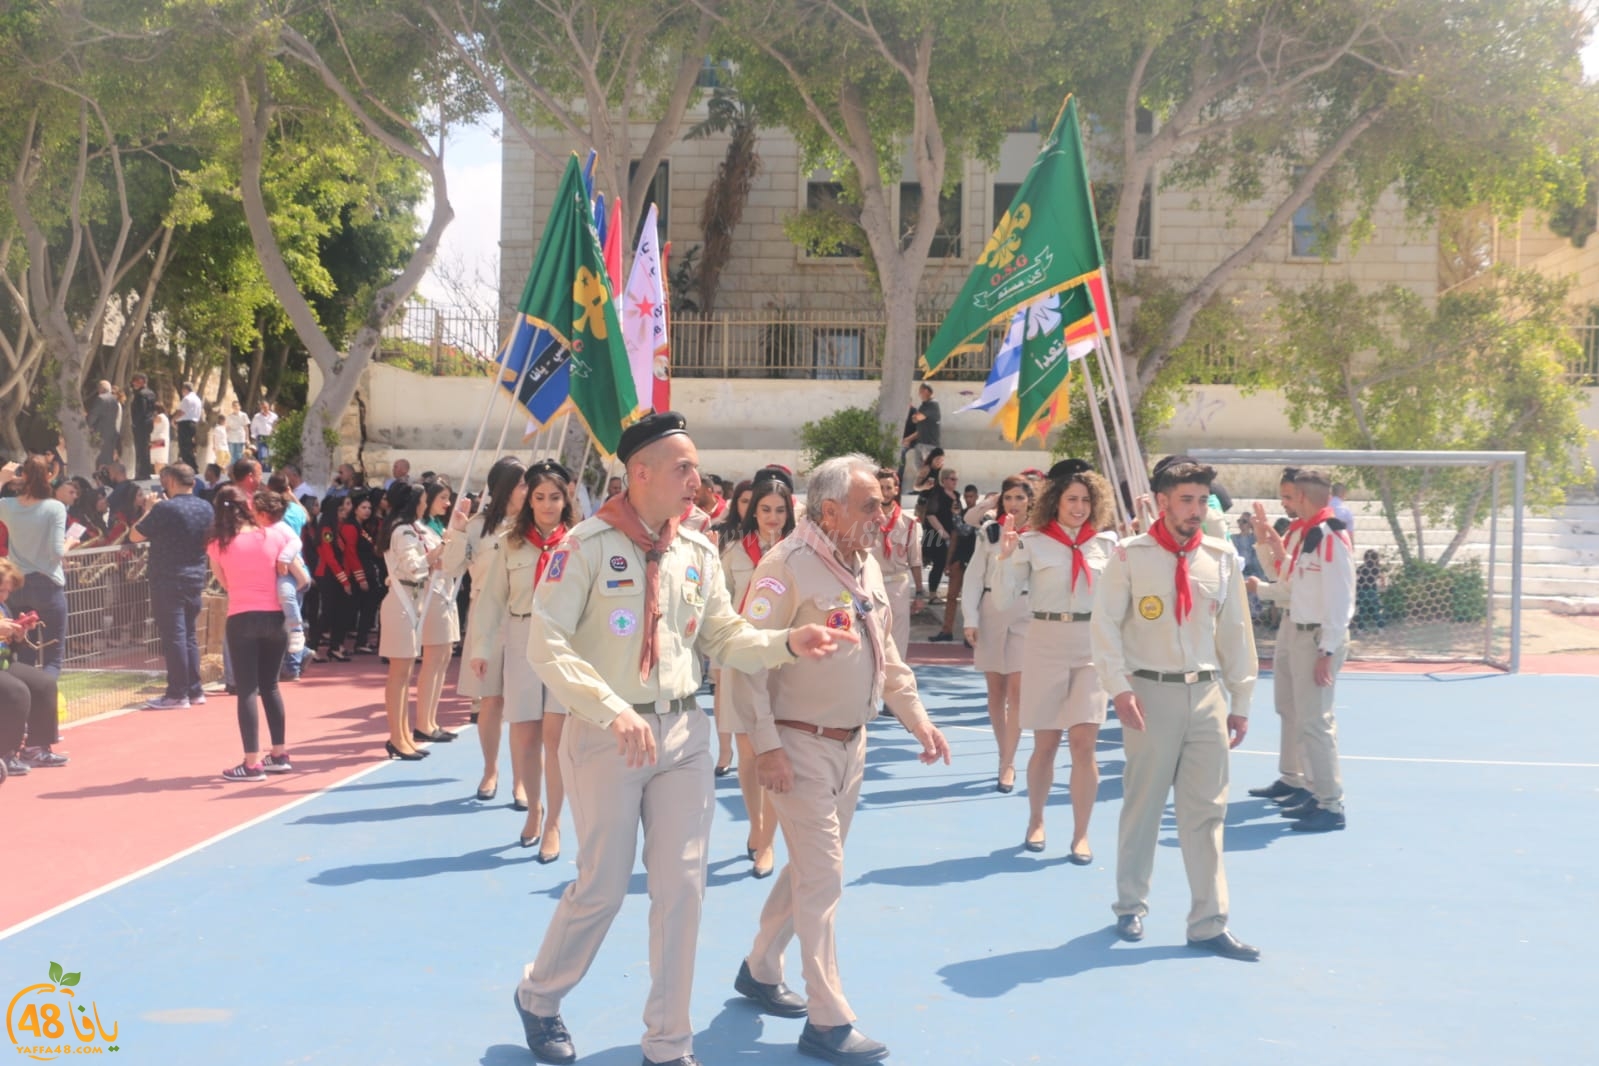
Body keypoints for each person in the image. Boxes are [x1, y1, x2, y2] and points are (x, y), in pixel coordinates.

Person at [512, 412, 851, 1066]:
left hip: (683, 733)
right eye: (682, 467)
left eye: (695, 467)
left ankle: (667, 1043)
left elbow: (722, 636)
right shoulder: (581, 548)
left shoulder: (696, 551)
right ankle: (540, 995)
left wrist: (786, 642)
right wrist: (612, 709)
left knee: (681, 889)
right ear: (640, 473)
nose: (695, 478)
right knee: (603, 887)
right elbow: (544, 646)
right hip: (604, 734)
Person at [728, 453, 951, 1066]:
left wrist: (919, 720)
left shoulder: (865, 564)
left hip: (852, 745)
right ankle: (828, 1020)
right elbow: (744, 663)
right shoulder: (785, 568)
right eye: (870, 505)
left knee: (810, 869)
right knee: (823, 879)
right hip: (798, 744)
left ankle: (761, 966)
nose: (883, 513)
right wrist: (767, 747)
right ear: (830, 511)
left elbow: (886, 658)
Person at [1091, 459, 1260, 960]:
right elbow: (1104, 627)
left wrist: (1241, 699)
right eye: (1185, 500)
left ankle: (1208, 921)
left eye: (1202, 500)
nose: (1195, 510)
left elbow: (1235, 634)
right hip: (1149, 694)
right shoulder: (1129, 556)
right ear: (1162, 503)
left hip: (1207, 695)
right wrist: (1118, 689)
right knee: (1143, 804)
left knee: (1207, 812)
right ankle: (1130, 904)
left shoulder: (1221, 557)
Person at [995, 463, 1118, 857]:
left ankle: (1081, 833)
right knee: (1045, 743)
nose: (1079, 507)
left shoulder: (1107, 545)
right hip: (1045, 641)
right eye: (1071, 499)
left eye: (1086, 500)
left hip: (1090, 644)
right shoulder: (1032, 542)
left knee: (1084, 744)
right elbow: (1001, 599)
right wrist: (1005, 557)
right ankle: (1036, 819)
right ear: (1055, 502)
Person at [469, 458, 573, 857]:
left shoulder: (579, 543)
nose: (547, 505)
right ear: (529, 500)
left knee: (556, 737)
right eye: (540, 497)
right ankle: (534, 807)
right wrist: (480, 649)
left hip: (565, 643)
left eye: (555, 497)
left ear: (566, 500)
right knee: (526, 734)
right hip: (521, 637)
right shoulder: (510, 543)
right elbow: (492, 601)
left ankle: (554, 823)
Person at [1251, 469, 1354, 833]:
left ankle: (1330, 803)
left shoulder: (1329, 536)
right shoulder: (1312, 535)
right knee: (1305, 718)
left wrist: (1327, 649)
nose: (1286, 502)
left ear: (1306, 498)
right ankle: (1315, 794)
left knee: (1316, 723)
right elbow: (1292, 583)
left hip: (1316, 639)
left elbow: (1342, 600)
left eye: (1291, 496)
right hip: (1304, 633)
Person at [719, 476, 797, 879]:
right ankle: (756, 825)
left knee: (776, 749)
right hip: (743, 658)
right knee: (749, 754)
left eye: (780, 510)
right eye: (764, 509)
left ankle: (768, 839)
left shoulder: (799, 555)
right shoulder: (733, 551)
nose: (771, 517)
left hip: (784, 661)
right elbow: (718, 604)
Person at [446, 457, 527, 805]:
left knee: (522, 704)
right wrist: (457, 531)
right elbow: (450, 568)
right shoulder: (478, 527)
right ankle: (490, 769)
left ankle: (522, 780)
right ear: (506, 487)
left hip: (524, 617)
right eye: (524, 484)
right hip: (486, 619)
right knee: (491, 699)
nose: (529, 491)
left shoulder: (534, 526)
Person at [206, 486, 297, 781]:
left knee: (247, 689)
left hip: (242, 616)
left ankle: (251, 762)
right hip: (275, 617)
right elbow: (292, 559)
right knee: (271, 686)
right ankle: (279, 753)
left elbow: (224, 581)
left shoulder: (218, 542)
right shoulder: (274, 534)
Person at [963, 475, 1034, 796]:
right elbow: (974, 578)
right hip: (991, 610)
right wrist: (970, 619)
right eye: (1009, 498)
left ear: (1030, 501)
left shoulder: (1040, 534)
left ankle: (1008, 762)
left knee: (1018, 691)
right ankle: (1002, 752)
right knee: (997, 691)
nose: (1015, 504)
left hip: (1025, 612)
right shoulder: (989, 533)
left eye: (1020, 498)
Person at [377, 483, 458, 761]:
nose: (425, 506)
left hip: (411, 602)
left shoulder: (406, 529)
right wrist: (443, 547)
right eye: (423, 501)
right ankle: (397, 737)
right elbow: (414, 566)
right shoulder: (403, 531)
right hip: (402, 601)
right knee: (399, 676)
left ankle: (404, 736)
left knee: (405, 674)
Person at [1244, 468, 1311, 807]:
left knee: (1307, 710)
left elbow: (1292, 588)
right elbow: (1278, 572)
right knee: (1287, 705)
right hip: (1290, 623)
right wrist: (1264, 540)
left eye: (1288, 496)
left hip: (1306, 626)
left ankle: (1314, 786)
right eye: (1282, 496)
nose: (1284, 503)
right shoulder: (1297, 532)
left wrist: (1262, 590)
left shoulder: (1317, 534)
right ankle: (1292, 776)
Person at [129, 464, 214, 709]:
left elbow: (135, 535)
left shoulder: (165, 508)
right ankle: (194, 689)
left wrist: (148, 509)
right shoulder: (205, 506)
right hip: (195, 575)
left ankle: (177, 693)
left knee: (174, 636)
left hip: (167, 578)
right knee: (188, 636)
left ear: (172, 482)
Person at [0, 458, 69, 677]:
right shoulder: (55, 507)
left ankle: (27, 707)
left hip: (18, 584)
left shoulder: (8, 506)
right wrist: (71, 543)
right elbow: (57, 551)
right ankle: (47, 706)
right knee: (52, 656)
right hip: (46, 583)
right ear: (49, 476)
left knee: (24, 654)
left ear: (24, 476)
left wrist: (2, 478)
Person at [0, 557, 68, 775]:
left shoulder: (3, 606)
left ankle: (35, 748)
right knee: (15, 692)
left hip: (4, 663)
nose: (5, 596)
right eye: (1, 590)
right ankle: (5, 752)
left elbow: (11, 648)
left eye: (7, 591)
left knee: (44, 683)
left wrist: (19, 634)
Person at [870, 468, 923, 661]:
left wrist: (919, 591)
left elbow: (915, 559)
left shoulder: (909, 523)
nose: (884, 491)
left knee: (898, 638)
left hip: (898, 584)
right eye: (880, 487)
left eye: (888, 487)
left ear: (896, 490)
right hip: (872, 582)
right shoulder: (866, 520)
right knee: (871, 634)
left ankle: (897, 682)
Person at [309, 496, 360, 662]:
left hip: (336, 575)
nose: (344, 512)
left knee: (341, 613)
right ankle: (312, 648)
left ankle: (335, 646)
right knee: (327, 613)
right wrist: (344, 580)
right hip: (327, 575)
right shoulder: (327, 531)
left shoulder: (337, 528)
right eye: (340, 510)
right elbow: (330, 558)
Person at [921, 464, 958, 604]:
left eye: (956, 479)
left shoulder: (957, 495)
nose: (955, 482)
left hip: (953, 535)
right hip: (938, 535)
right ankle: (932, 594)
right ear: (944, 480)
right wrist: (943, 533)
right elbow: (931, 515)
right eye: (952, 479)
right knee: (938, 564)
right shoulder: (938, 494)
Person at [87, 380, 122, 470]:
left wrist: (87, 425)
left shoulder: (100, 399)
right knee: (108, 459)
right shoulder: (115, 400)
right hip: (111, 433)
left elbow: (93, 416)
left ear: (100, 389)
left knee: (99, 459)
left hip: (100, 432)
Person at [129, 373, 157, 479]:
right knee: (145, 448)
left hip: (141, 425)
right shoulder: (151, 393)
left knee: (141, 449)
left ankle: (142, 473)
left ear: (141, 381)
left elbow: (141, 410)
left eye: (135, 380)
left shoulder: (141, 394)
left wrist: (135, 423)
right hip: (148, 423)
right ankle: (146, 471)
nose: (133, 383)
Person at [1354, 549, 1386, 632]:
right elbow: (1382, 577)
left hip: (1361, 590)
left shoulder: (1361, 567)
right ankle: (1381, 628)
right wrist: (1383, 584)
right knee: (1375, 610)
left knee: (1362, 611)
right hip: (1372, 591)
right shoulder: (1376, 568)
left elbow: (1356, 576)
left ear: (1365, 558)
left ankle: (1360, 629)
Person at [174, 382, 203, 470]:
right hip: (193, 424)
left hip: (185, 424)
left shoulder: (186, 399)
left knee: (184, 448)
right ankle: (192, 466)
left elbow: (181, 412)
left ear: (185, 389)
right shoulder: (198, 399)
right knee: (190, 447)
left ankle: (190, 467)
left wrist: (173, 419)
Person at [251, 401, 278, 466]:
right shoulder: (257, 416)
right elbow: (253, 427)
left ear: (269, 407)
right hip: (261, 437)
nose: (265, 409)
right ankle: (264, 472)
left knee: (271, 455)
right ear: (261, 408)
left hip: (271, 437)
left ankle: (268, 472)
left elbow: (276, 426)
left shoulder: (274, 416)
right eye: (263, 407)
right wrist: (255, 436)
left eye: (266, 407)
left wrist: (275, 433)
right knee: (263, 456)